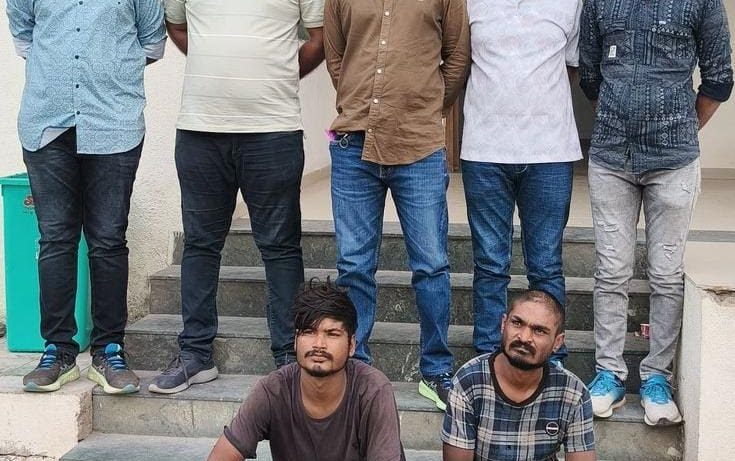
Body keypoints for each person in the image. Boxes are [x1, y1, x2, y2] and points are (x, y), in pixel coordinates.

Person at [149, 0, 325, 394]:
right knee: (200, 244)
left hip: (274, 129)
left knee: (281, 247)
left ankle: (288, 357)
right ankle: (196, 354)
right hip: (200, 128)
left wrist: (278, 74)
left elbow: (320, 38)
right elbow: (177, 26)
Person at [579, 0, 733, 425]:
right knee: (611, 270)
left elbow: (719, 79)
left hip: (674, 161)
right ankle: (608, 374)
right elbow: (590, 75)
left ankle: (656, 379)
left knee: (666, 275)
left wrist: (680, 126)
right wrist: (621, 117)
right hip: (611, 159)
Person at [7, 0, 166, 394]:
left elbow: (151, 42)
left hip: (113, 122)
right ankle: (58, 352)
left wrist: (109, 71)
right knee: (55, 239)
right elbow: (24, 37)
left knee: (108, 240)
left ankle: (109, 351)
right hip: (48, 124)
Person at [323, 0, 470, 411]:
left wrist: (425, 107)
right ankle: (357, 369)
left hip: (418, 145)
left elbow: (457, 57)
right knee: (353, 265)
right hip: (353, 145)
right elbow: (336, 59)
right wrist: (360, 102)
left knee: (431, 265)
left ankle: (436, 369)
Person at [460, 0, 583, 364]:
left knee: (546, 264)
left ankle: (550, 358)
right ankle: (488, 356)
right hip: (484, 149)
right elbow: (456, 61)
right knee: (489, 263)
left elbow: (573, 66)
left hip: (550, 150)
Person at [207, 280, 405, 461]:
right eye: (309, 332)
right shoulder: (273, 390)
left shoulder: (373, 390)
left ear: (351, 344)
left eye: (332, 334)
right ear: (295, 340)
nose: (319, 344)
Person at [442, 291, 596, 461]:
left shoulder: (574, 393)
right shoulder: (469, 381)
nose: (524, 337)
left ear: (557, 342)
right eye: (517, 323)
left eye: (539, 331)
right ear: (503, 324)